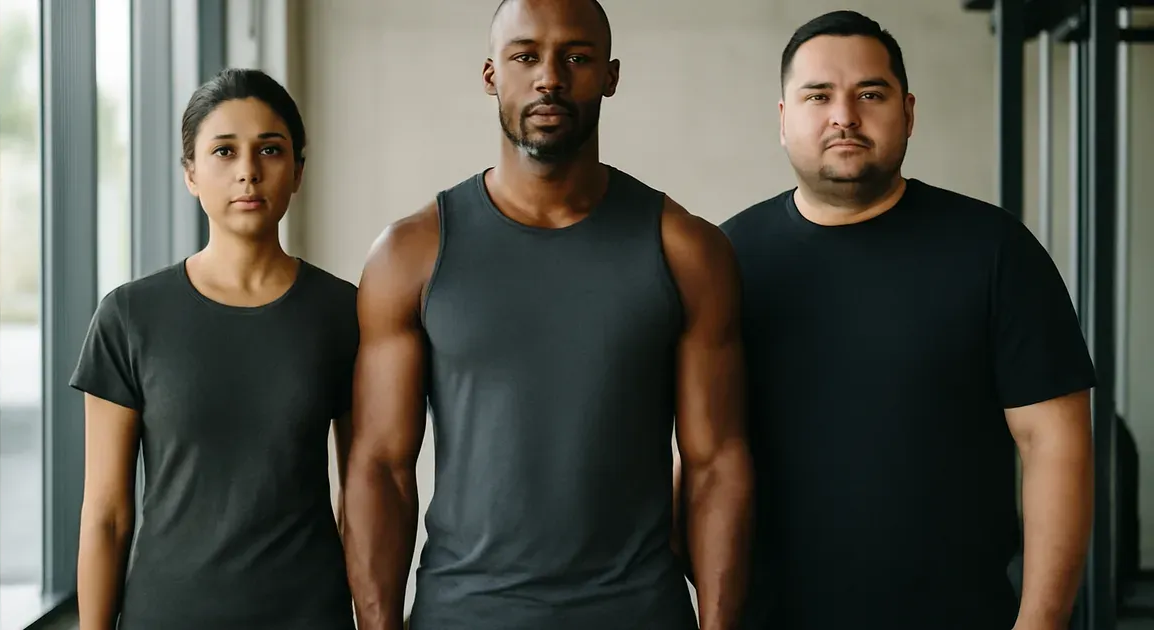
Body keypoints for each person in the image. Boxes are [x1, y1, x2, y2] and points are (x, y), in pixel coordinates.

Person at [342, 0, 754, 628]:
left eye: (577, 57)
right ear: (491, 75)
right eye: (525, 56)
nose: (550, 77)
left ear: (611, 77)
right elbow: (381, 469)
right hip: (464, 614)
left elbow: (716, 463)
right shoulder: (411, 253)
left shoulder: (687, 250)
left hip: (636, 612)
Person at [718, 10, 1096, 630]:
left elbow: (1055, 447)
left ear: (909, 112)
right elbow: (699, 455)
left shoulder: (995, 251)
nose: (845, 115)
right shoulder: (726, 259)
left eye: (871, 93)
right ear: (784, 120)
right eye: (819, 96)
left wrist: (1041, 623)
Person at [71, 68, 359, 630]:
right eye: (224, 151)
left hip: (307, 614)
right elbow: (105, 513)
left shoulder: (343, 312)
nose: (248, 172)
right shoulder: (129, 316)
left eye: (269, 150)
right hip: (167, 614)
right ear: (191, 174)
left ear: (298, 170)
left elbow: (363, 495)